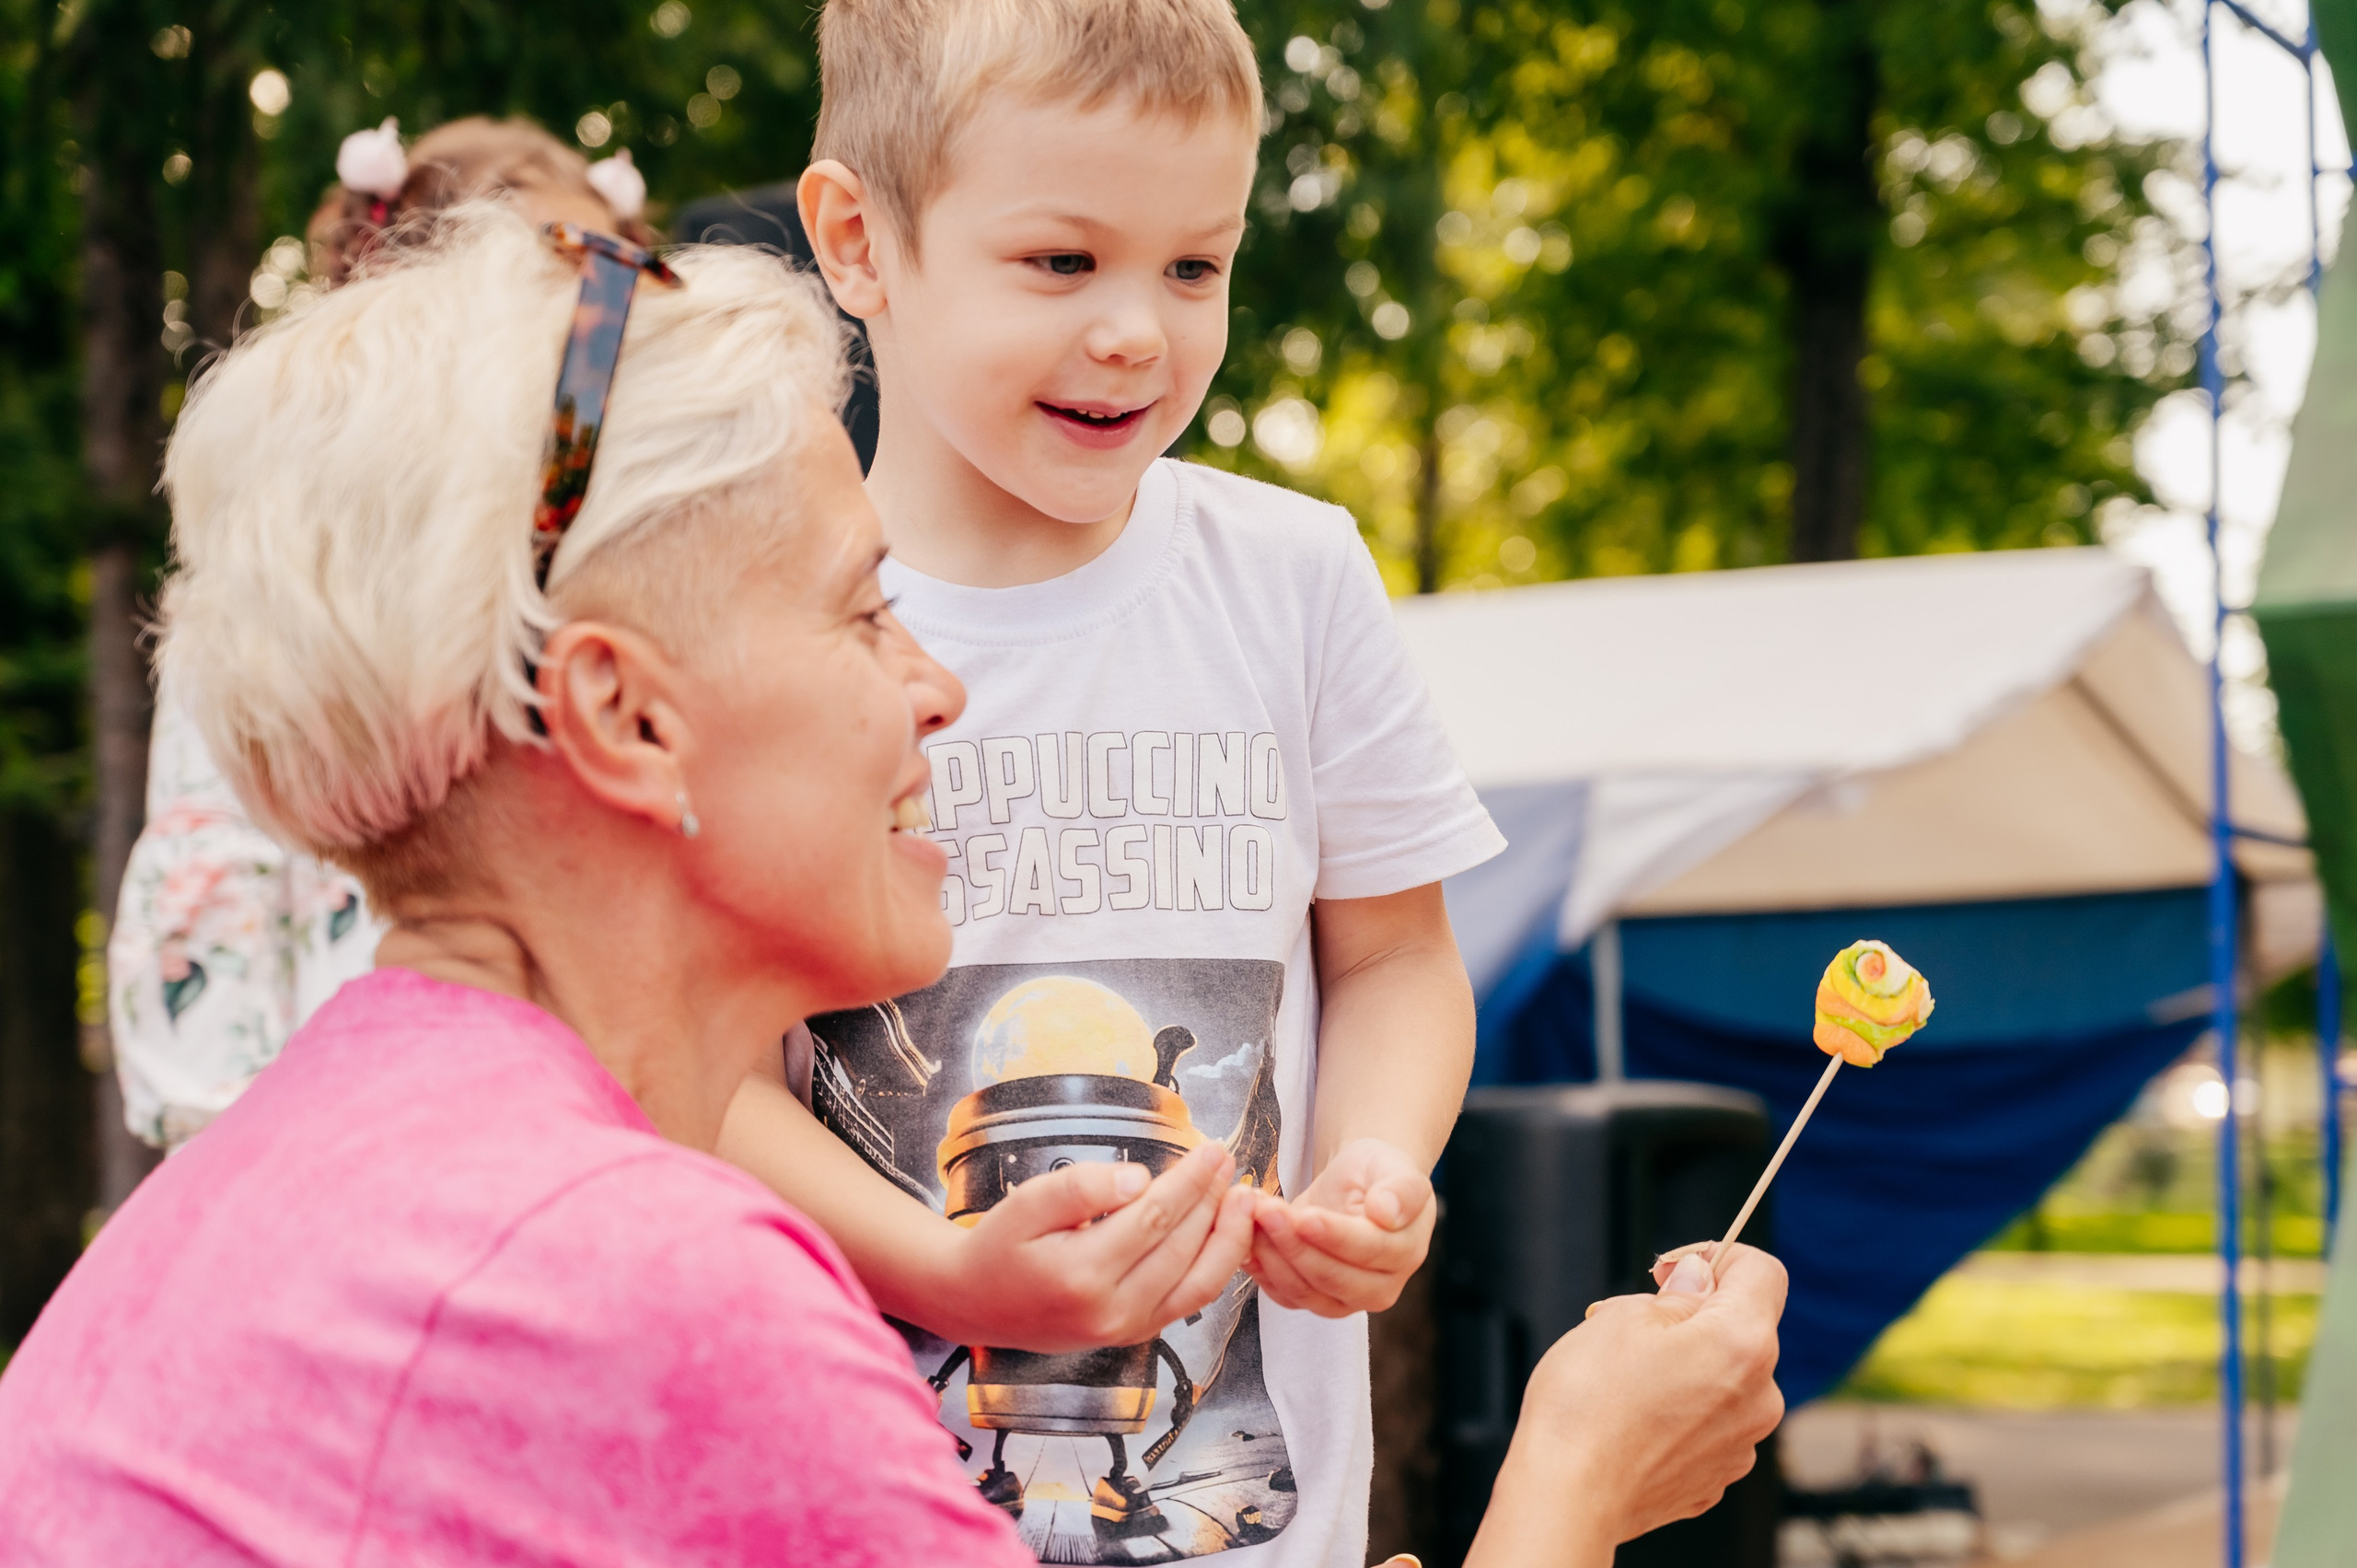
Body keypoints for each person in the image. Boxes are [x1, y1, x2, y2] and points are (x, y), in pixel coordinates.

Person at [0, 202, 1783, 1568]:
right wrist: (1571, 1483)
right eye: (864, 609)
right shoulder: (640, 1284)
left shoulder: (275, 1186)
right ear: (625, 713)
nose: (935, 684)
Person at [709, 2, 1503, 1559]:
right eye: (1063, 261)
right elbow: (713, 1073)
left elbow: (1399, 955)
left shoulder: (1293, 578)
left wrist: (1376, 1162)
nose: (1139, 328)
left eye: (1193, 264)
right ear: (860, 241)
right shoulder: (763, 623)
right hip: (872, 1509)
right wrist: (948, 1274)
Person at [107, 114, 647, 1151]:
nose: (590, 336)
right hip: (345, 1127)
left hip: (583, 1123)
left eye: (607, 296)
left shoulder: (626, 548)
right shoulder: (297, 580)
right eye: (548, 291)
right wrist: (240, 1135)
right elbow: (207, 883)